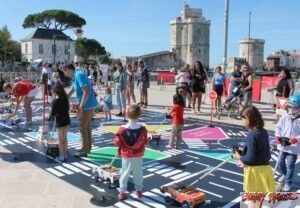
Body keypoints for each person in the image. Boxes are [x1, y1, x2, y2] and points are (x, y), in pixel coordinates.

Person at [232, 106, 276, 208]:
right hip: (265, 170)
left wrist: (238, 157)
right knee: (259, 200)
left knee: (252, 201)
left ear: (248, 118)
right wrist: (244, 151)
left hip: (254, 173)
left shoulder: (252, 135)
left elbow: (250, 159)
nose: (242, 121)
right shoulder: (263, 131)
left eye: (243, 118)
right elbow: (265, 153)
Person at [63, 63, 98, 157]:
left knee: (82, 127)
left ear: (68, 70)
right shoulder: (76, 76)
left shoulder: (79, 75)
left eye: (65, 72)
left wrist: (81, 106)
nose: (65, 75)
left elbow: (86, 92)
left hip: (87, 105)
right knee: (86, 127)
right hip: (89, 104)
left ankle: (85, 150)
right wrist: (65, 96)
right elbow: (73, 89)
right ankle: (87, 147)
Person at [114, 104, 148, 200]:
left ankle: (122, 192)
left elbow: (117, 142)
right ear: (138, 116)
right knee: (138, 172)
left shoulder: (122, 129)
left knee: (125, 173)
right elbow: (145, 141)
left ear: (127, 115)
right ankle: (139, 190)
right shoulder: (142, 129)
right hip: (138, 155)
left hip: (127, 155)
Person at [275, 94, 300, 192]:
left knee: (290, 165)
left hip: (293, 147)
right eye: (289, 107)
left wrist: (296, 139)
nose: (291, 109)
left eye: (294, 108)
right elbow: (278, 127)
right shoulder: (285, 116)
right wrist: (278, 136)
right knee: (280, 162)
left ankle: (288, 183)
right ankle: (285, 175)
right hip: (283, 144)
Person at [50, 82, 70, 162]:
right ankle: (65, 154)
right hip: (66, 119)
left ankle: (61, 156)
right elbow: (67, 109)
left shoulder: (55, 101)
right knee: (65, 138)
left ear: (55, 91)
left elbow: (52, 113)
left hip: (59, 121)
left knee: (60, 139)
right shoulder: (65, 99)